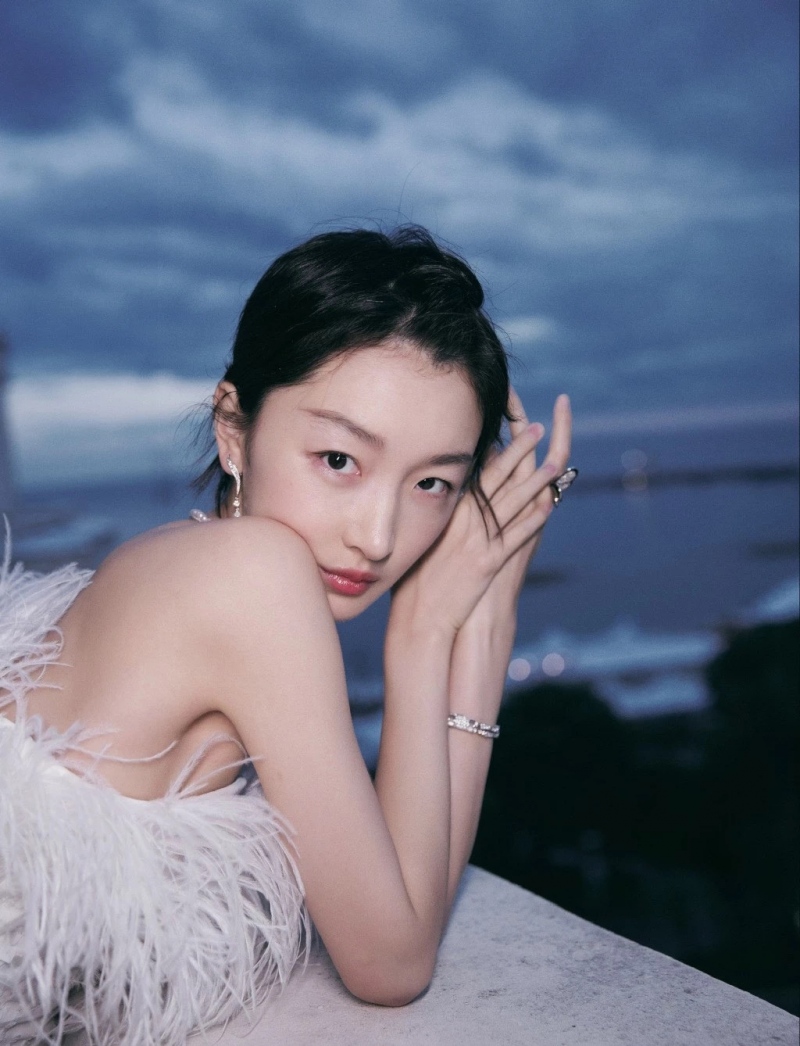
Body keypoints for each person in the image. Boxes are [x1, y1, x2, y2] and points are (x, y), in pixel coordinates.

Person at [0, 226, 574, 1045]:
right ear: (234, 429)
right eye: (339, 460)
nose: (377, 536)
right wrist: (426, 634)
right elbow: (391, 963)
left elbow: (401, 899)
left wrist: (483, 622)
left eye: (432, 483)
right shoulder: (252, 572)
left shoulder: (190, 565)